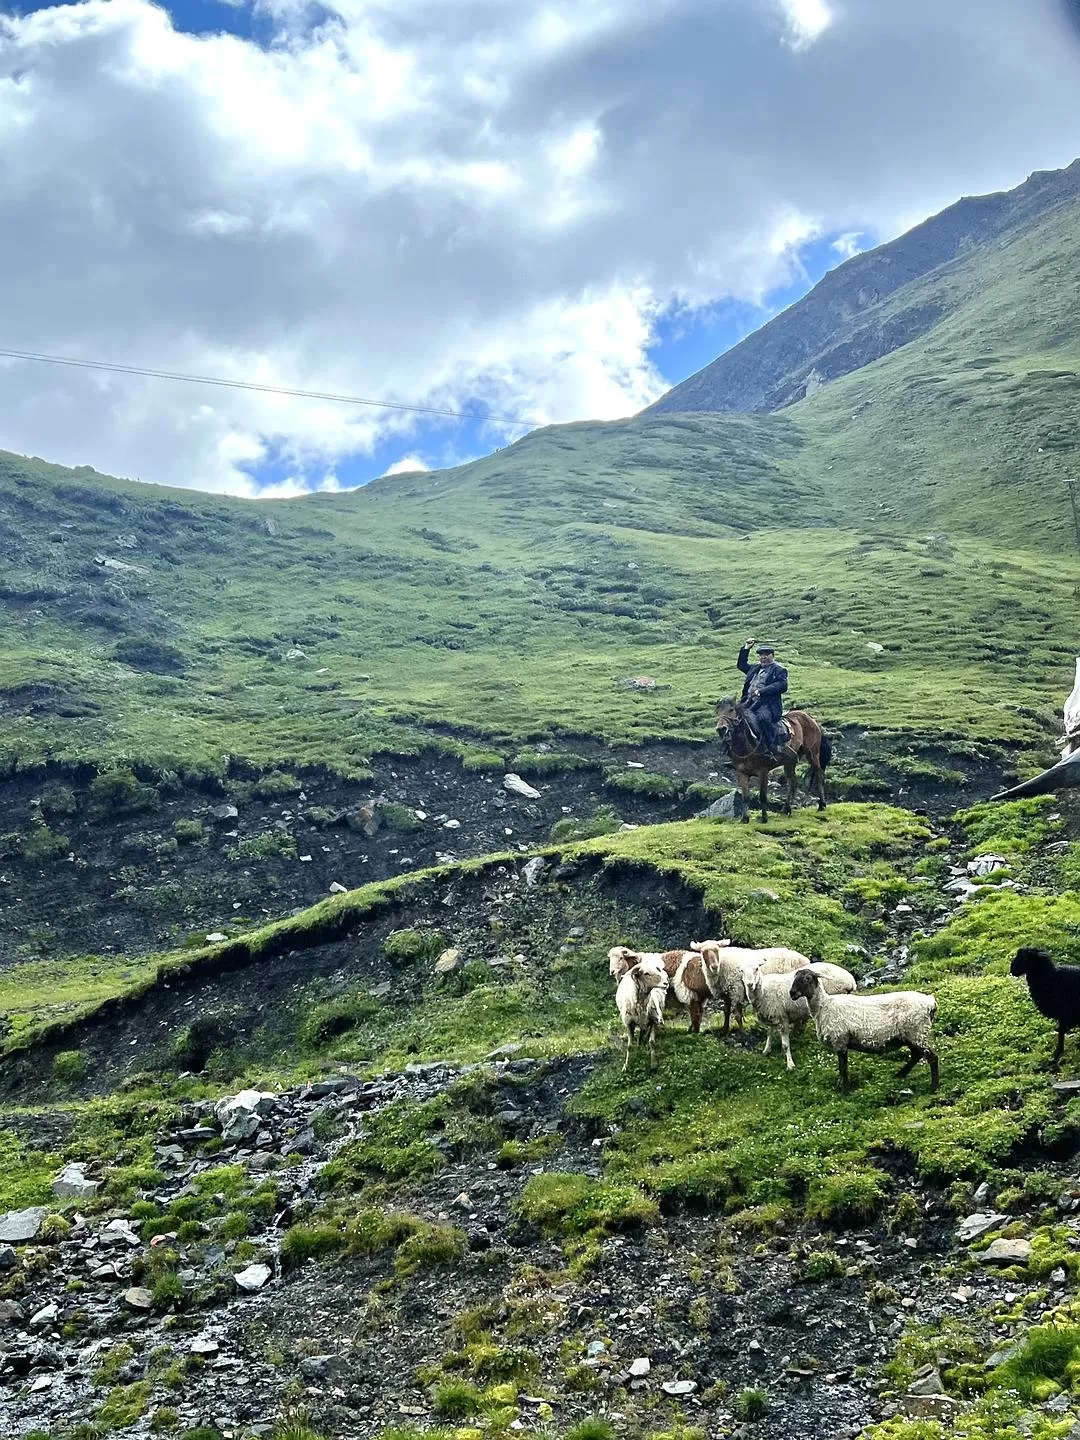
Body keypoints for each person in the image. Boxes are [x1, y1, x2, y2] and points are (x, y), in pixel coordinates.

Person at [736, 638, 788, 754]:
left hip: (767, 705)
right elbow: (741, 665)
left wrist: (762, 691)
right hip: (748, 702)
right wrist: (746, 648)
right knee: (732, 718)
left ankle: (772, 746)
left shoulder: (779, 670)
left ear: (772, 656)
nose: (763, 657)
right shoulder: (755, 668)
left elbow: (782, 685)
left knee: (763, 719)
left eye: (766, 655)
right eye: (761, 655)